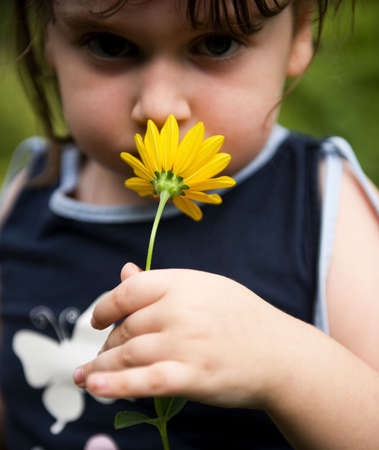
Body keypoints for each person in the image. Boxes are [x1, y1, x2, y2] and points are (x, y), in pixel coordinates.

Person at [0, 0, 378, 449]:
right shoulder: (29, 192)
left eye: (216, 45)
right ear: (47, 37)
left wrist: (286, 362)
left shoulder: (323, 208)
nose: (158, 107)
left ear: (299, 33)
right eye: (109, 45)